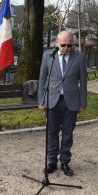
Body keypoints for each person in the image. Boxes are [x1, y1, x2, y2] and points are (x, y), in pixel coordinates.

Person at [38, 30, 87, 176]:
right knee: (52, 132)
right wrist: (41, 100)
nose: (66, 48)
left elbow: (83, 82)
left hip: (71, 102)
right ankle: (51, 162)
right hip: (52, 101)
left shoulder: (80, 57)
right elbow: (42, 79)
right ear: (56, 43)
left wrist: (82, 102)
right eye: (63, 45)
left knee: (67, 133)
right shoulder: (48, 56)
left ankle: (65, 162)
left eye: (69, 45)